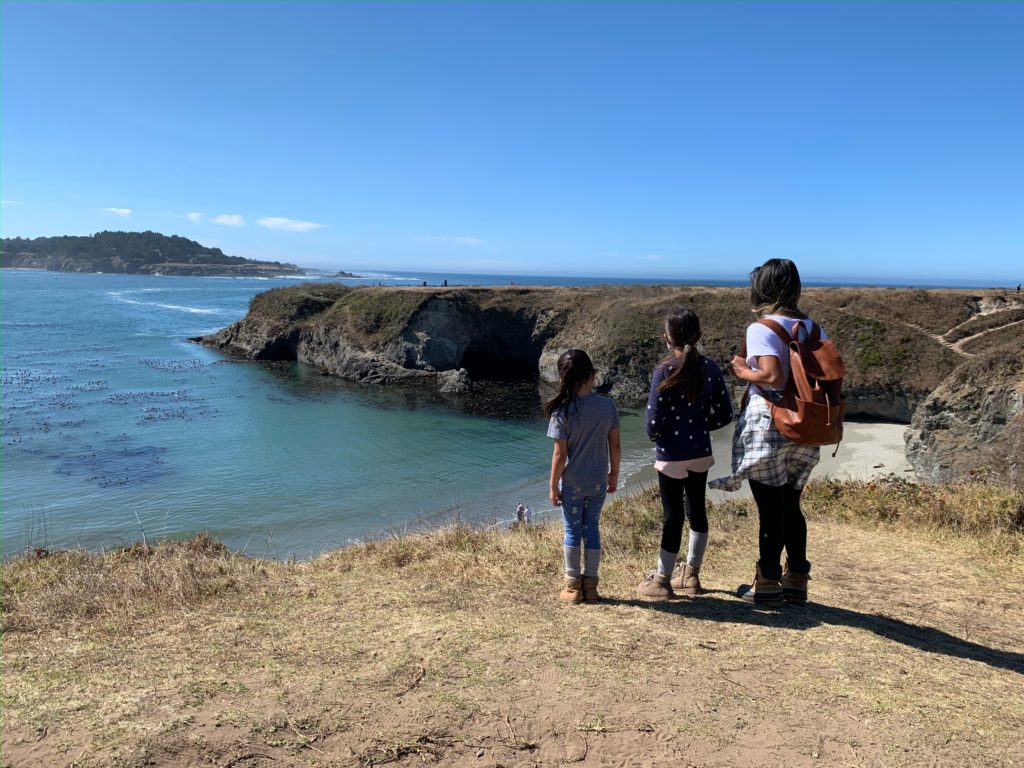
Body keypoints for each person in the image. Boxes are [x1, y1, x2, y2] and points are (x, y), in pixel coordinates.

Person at [709, 258, 825, 606]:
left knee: (769, 507)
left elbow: (773, 377)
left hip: (771, 423)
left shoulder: (763, 327)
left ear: (762, 288)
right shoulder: (814, 329)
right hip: (807, 423)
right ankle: (797, 579)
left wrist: (743, 371)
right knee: (791, 503)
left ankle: (768, 581)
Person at [636, 309, 733, 600]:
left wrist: (660, 436)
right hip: (700, 451)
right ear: (699, 336)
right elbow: (726, 413)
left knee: (672, 515)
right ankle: (690, 574)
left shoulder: (664, 371)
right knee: (696, 510)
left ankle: (662, 579)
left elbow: (652, 423)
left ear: (667, 338)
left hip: (671, 453)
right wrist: (703, 427)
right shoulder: (711, 368)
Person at [546, 349, 621, 604]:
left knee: (572, 529)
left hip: (574, 481)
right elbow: (615, 446)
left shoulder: (562, 412)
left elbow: (559, 455)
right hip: (599, 478)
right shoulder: (607, 405)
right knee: (592, 530)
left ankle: (572, 587)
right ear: (593, 375)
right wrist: (614, 474)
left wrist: (553, 485)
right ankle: (591, 587)